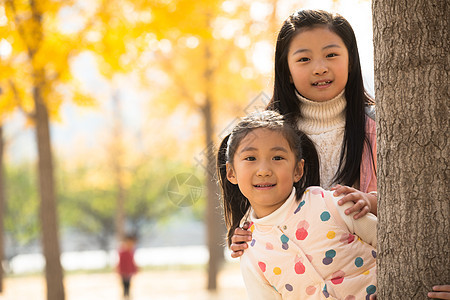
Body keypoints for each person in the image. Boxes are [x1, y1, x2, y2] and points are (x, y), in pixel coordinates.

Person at [230, 8, 378, 258]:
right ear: (286, 70)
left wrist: (373, 201)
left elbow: (414, 197)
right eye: (304, 59)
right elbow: (259, 202)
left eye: (331, 55)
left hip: (367, 271)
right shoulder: (268, 136)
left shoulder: (378, 126)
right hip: (299, 276)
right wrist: (245, 232)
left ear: (351, 61)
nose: (320, 68)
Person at [217, 110, 378, 299]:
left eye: (277, 158)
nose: (264, 170)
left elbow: (391, 242)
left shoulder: (331, 204)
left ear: (298, 170)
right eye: (250, 158)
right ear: (231, 173)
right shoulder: (251, 252)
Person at [117, 234, 138, 300]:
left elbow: (132, 261)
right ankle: (125, 296)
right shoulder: (122, 251)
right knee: (124, 284)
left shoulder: (131, 251)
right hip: (123, 271)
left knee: (128, 283)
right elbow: (120, 262)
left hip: (129, 271)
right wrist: (119, 270)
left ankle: (127, 296)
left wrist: (135, 268)